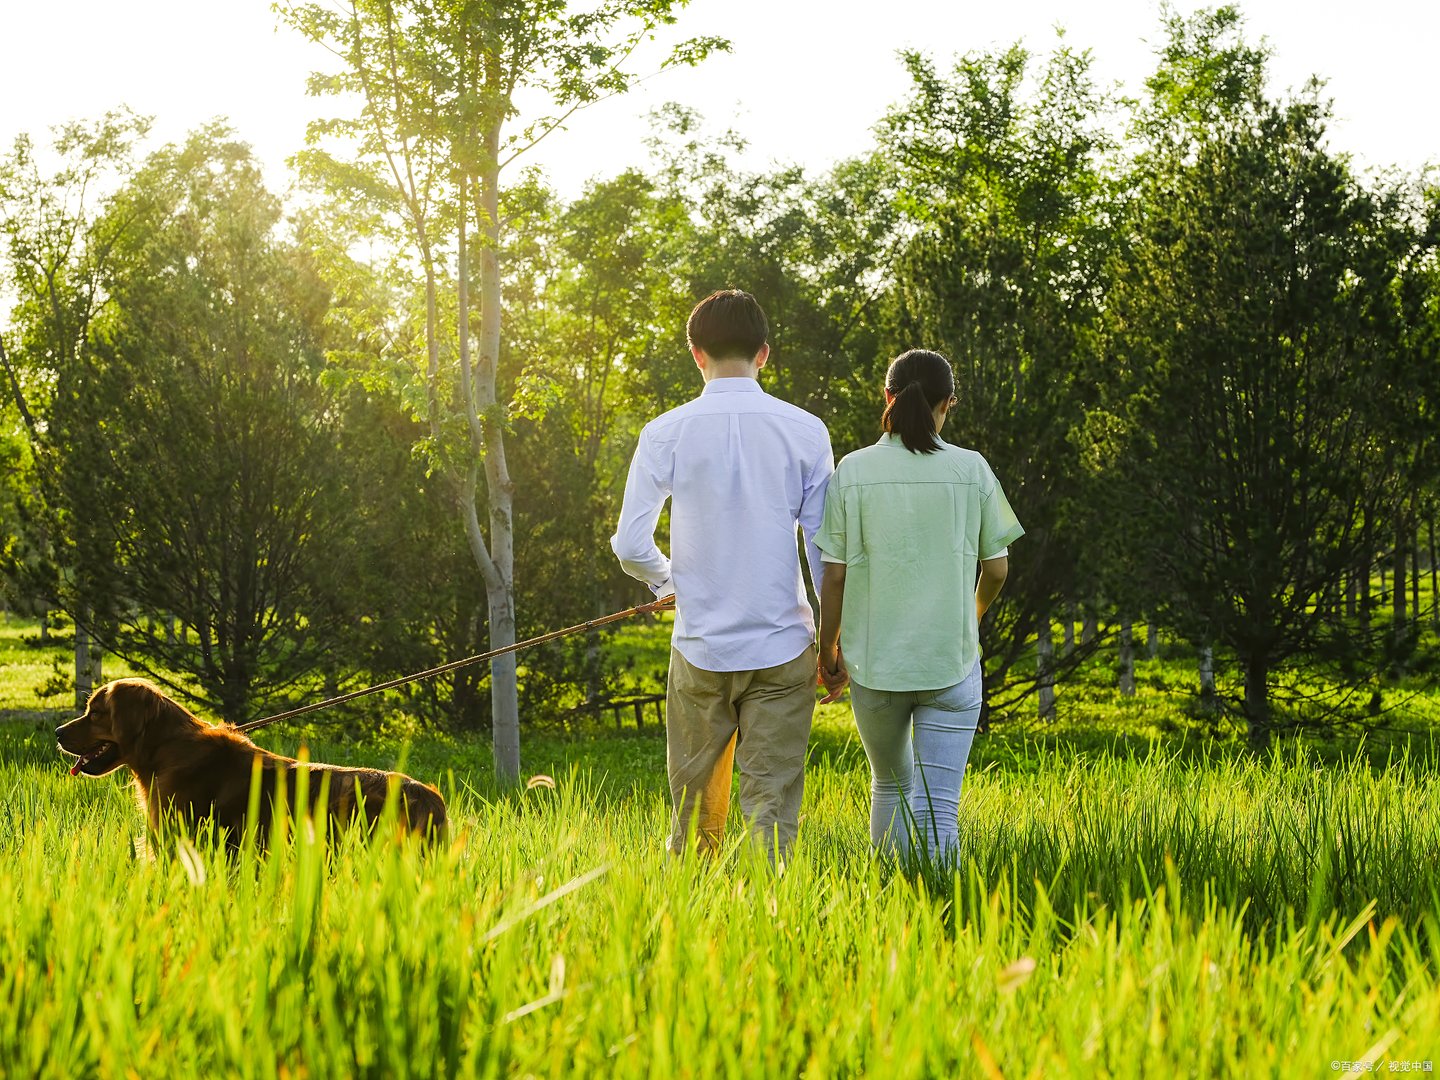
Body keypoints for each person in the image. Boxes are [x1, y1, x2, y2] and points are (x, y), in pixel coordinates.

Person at [611, 290, 834, 862]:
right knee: (772, 809)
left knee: (693, 819)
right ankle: (771, 929)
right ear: (764, 354)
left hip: (700, 649)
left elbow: (631, 545)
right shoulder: (807, 431)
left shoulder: (664, 432)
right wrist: (833, 644)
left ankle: (694, 932)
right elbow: (825, 552)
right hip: (784, 648)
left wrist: (668, 585)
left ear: (695, 353)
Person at [815, 348, 1023, 862]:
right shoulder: (971, 469)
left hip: (876, 667)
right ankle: (943, 917)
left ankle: (889, 896)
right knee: (939, 811)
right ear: (948, 404)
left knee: (888, 786)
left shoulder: (853, 470)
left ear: (886, 398)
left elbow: (834, 576)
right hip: (950, 663)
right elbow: (996, 569)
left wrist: (828, 651)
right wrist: (969, 617)